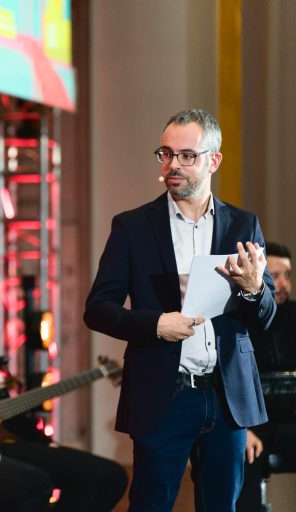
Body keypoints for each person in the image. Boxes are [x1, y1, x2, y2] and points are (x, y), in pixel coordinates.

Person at [84, 108, 276, 511]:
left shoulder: (244, 224)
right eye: (166, 153)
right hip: (164, 395)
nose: (173, 165)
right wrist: (155, 324)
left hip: (227, 397)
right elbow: (98, 309)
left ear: (213, 160)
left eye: (187, 155)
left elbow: (265, 317)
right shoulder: (132, 227)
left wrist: (255, 288)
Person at [0, 268, 128, 512]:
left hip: (6, 438)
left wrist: (44, 441)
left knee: (108, 476)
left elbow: (6, 416)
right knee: (35, 484)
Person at [237, 242, 296, 511]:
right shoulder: (237, 318)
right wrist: (241, 430)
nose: (284, 284)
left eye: (288, 275)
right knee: (240, 450)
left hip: (291, 418)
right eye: (275, 275)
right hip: (253, 423)